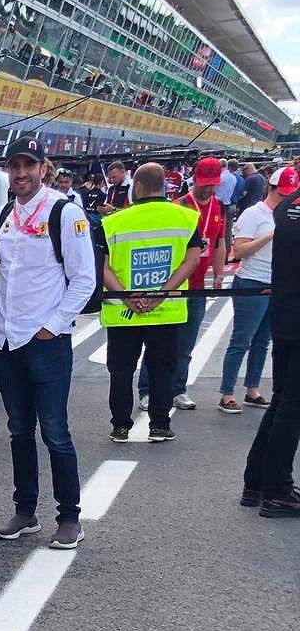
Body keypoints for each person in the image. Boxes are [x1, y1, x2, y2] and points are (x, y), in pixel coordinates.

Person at [0, 135, 95, 550]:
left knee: (55, 431)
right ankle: (26, 510)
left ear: (43, 167)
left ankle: (69, 517)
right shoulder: (6, 213)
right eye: (14, 166)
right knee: (18, 431)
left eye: (28, 166)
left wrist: (53, 325)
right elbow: (0, 261)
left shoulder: (64, 213)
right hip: (8, 340)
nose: (21, 174)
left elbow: (84, 278)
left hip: (46, 341)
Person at [101, 163, 202, 445]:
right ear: (164, 186)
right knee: (162, 368)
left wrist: (126, 295)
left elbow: (103, 267)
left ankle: (120, 425)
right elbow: (191, 260)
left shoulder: (114, 222)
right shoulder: (186, 218)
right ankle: (159, 424)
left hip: (124, 312)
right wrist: (162, 293)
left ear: (138, 186)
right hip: (165, 311)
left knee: (121, 370)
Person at [139, 155, 225, 411]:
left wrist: (218, 274)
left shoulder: (219, 207)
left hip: (198, 286)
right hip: (175, 285)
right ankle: (147, 390)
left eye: (213, 183)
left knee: (186, 344)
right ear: (195, 180)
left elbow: (219, 242)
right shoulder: (179, 205)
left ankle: (179, 388)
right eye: (205, 183)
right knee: (159, 342)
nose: (208, 188)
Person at [242, 169, 300, 516]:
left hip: (284, 312)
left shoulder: (288, 205)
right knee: (292, 406)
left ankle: (258, 480)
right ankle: (276, 489)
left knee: (283, 401)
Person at [218, 166, 291, 412]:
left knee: (263, 341)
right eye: (282, 193)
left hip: (277, 282)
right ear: (271, 188)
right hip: (252, 281)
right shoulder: (254, 214)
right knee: (242, 340)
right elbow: (239, 251)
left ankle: (253, 389)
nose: (285, 198)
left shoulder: (291, 213)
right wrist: (271, 235)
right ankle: (227, 392)